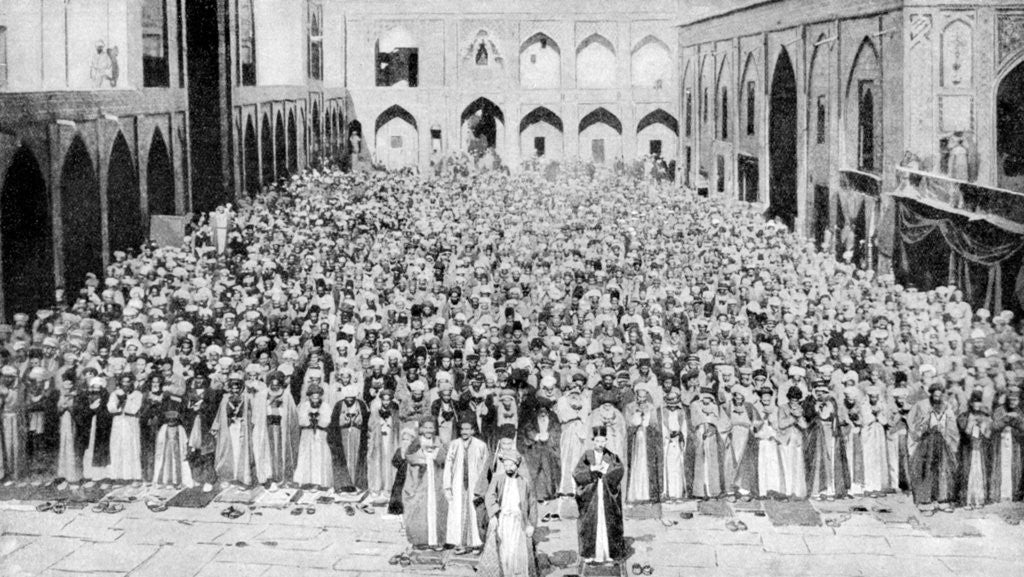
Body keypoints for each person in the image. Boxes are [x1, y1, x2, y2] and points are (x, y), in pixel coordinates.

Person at [480, 450, 538, 577]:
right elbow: (490, 496)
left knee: (517, 552)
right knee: (504, 552)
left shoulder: (525, 482)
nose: (508, 468)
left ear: (517, 465)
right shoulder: (498, 479)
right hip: (503, 521)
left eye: (511, 465)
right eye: (506, 465)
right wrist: (493, 515)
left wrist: (531, 524)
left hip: (518, 523)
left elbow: (532, 503)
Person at [573, 426, 626, 564]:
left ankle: (608, 553)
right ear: (593, 441)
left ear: (606, 441)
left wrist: (606, 474)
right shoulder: (587, 455)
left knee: (608, 521)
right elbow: (577, 473)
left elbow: (619, 469)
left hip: (606, 494)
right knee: (591, 522)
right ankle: (591, 554)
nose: (600, 444)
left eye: (602, 441)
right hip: (592, 495)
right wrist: (592, 470)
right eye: (597, 441)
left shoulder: (611, 456)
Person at [908, 383, 959, 513]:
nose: (937, 398)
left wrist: (951, 441)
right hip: (926, 443)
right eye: (934, 395)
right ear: (931, 394)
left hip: (942, 443)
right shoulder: (922, 405)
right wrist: (920, 429)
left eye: (939, 395)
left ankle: (942, 500)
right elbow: (912, 421)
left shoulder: (947, 406)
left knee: (943, 470)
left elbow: (952, 425)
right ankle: (925, 502)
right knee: (926, 470)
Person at [444, 419, 489, 554]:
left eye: (468, 429)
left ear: (473, 430)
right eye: (462, 429)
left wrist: (482, 487)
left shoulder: (480, 445)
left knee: (475, 512)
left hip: (475, 484)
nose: (465, 432)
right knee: (458, 512)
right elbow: (448, 466)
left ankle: (477, 543)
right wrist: (447, 486)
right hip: (458, 484)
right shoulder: (454, 444)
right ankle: (460, 543)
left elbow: (484, 468)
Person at [404, 419, 448, 550]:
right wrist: (424, 457)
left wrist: (436, 455)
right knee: (419, 509)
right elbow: (409, 457)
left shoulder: (439, 441)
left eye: (431, 428)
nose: (428, 430)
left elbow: (444, 458)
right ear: (421, 429)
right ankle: (420, 540)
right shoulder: (416, 442)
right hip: (421, 481)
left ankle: (437, 541)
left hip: (435, 480)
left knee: (437, 508)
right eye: (426, 427)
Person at [251, 372, 299, 487]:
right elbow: (257, 414)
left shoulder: (287, 395)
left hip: (281, 428)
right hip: (267, 428)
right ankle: (268, 476)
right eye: (273, 384)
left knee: (280, 451)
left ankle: (281, 476)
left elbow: (292, 414)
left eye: (277, 385)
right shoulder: (262, 395)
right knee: (267, 451)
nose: (275, 387)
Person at [212, 376, 254, 486]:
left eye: (237, 388)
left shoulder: (247, 398)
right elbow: (220, 414)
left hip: (241, 428)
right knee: (227, 451)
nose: (235, 391)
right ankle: (228, 476)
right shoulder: (225, 398)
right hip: (229, 428)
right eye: (233, 388)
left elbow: (251, 413)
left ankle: (241, 477)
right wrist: (216, 426)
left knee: (240, 451)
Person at [294, 384, 334, 489]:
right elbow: (301, 420)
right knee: (306, 456)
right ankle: (305, 480)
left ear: (320, 396)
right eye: (313, 397)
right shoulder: (304, 405)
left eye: (317, 397)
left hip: (320, 435)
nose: (315, 400)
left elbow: (327, 420)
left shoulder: (325, 406)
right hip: (307, 434)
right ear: (309, 397)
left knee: (319, 457)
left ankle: (318, 481)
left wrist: (319, 420)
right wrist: (309, 420)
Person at [957, 390, 992, 509]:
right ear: (970, 403)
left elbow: (988, 435)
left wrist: (983, 426)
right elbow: (964, 431)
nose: (976, 405)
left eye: (979, 402)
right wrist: (971, 423)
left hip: (980, 449)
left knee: (979, 473)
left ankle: (979, 500)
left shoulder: (985, 416)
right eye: (974, 402)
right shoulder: (964, 416)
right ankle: (967, 500)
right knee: (968, 472)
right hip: (969, 449)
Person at [990, 386, 1024, 502]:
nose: (1013, 402)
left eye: (1015, 400)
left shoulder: (1019, 411)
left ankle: (1013, 494)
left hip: (1014, 444)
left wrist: (1018, 420)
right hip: (1000, 443)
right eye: (1011, 400)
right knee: (1001, 465)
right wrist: (1006, 418)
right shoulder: (1000, 410)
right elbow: (994, 426)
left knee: (1013, 466)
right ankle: (998, 494)